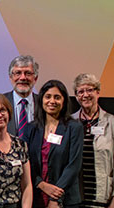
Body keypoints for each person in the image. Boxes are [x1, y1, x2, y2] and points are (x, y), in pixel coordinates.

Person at [22, 80, 83, 208]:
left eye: (57, 97)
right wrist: (41, 184)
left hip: (65, 197)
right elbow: (26, 161)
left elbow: (74, 165)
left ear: (64, 101)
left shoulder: (74, 127)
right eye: (48, 97)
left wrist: (55, 196)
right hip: (36, 195)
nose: (52, 101)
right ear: (41, 100)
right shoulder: (31, 128)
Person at [71, 73, 114, 207]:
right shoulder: (70, 122)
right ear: (76, 96)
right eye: (80, 92)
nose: (85, 95)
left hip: (102, 198)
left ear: (98, 92)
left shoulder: (113, 122)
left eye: (89, 90)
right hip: (75, 198)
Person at [4, 55, 40, 137]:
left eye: (28, 73)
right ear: (11, 77)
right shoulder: (0, 103)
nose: (23, 78)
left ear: (35, 78)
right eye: (18, 73)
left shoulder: (43, 104)